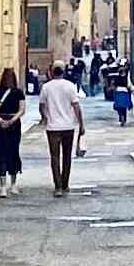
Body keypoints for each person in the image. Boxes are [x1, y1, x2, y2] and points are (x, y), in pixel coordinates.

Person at [37, 57, 86, 196]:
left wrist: (45, 117)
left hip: (53, 127)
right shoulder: (70, 86)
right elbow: (76, 106)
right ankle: (65, 184)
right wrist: (81, 124)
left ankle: (57, 186)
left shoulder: (46, 87)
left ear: (52, 71)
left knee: (54, 157)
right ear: (63, 71)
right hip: (68, 126)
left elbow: (41, 106)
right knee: (67, 156)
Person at [0, 63, 25, 190]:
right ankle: (13, 185)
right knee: (13, 151)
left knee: (1, 152)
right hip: (14, 124)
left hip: (0, 124)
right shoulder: (18, 93)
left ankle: (3, 187)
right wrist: (12, 120)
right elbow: (22, 110)